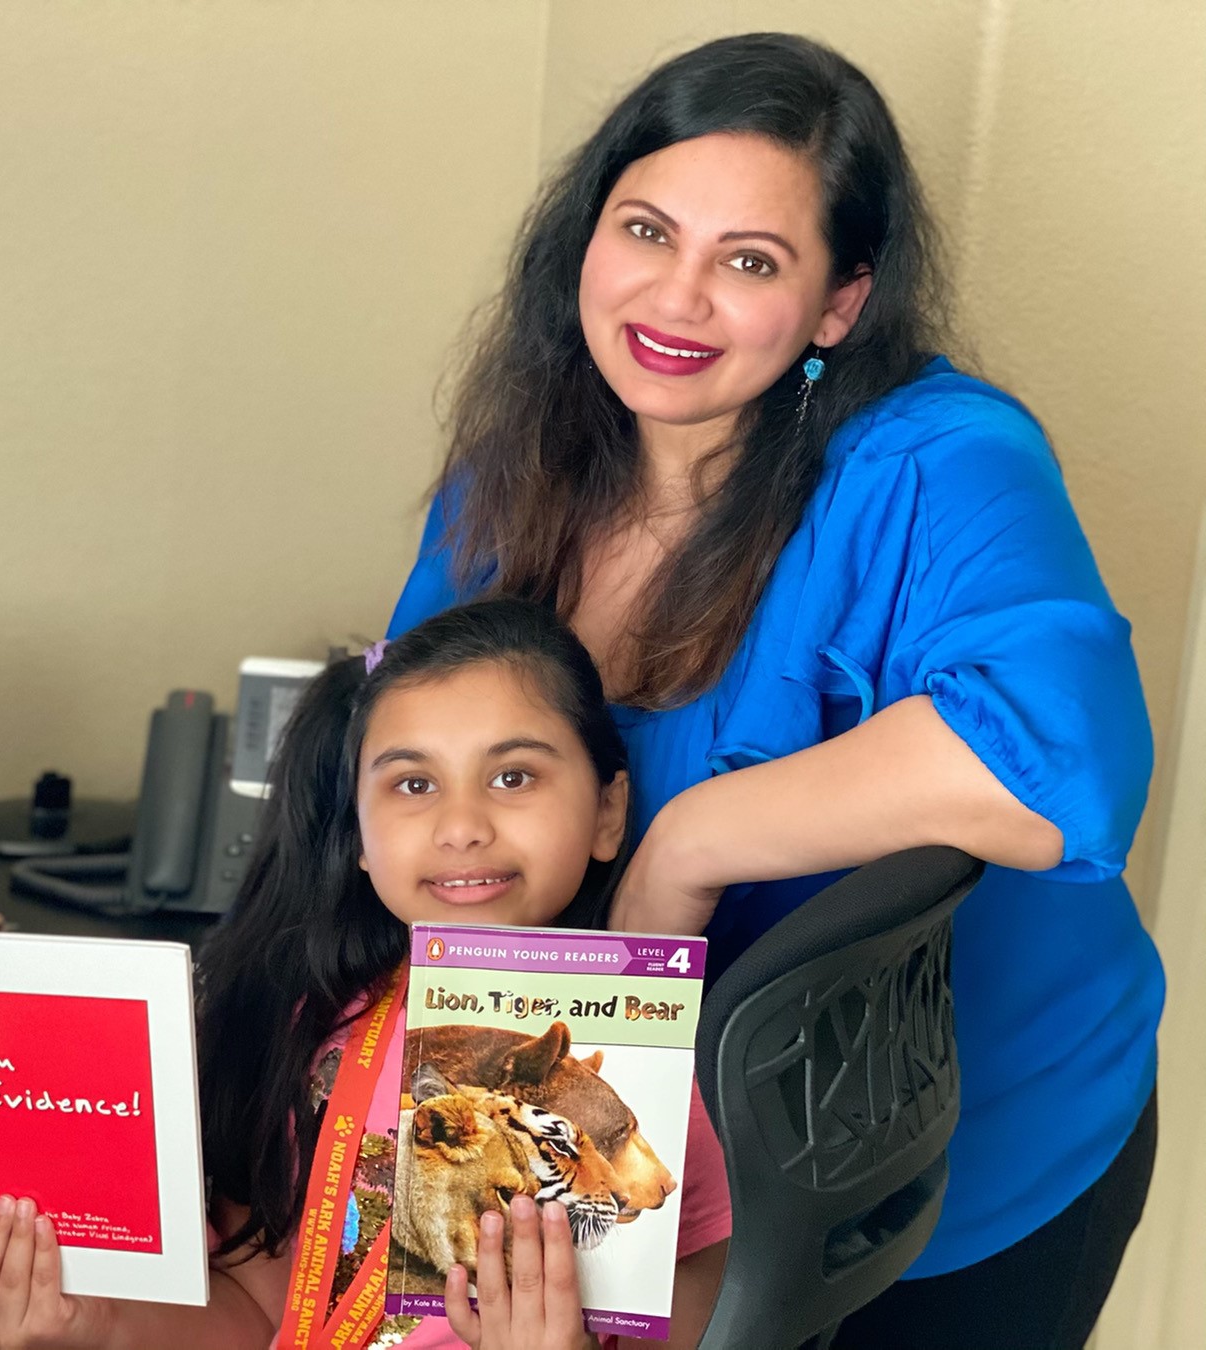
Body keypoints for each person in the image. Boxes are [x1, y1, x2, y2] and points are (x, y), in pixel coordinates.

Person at [387, 32, 1161, 1350]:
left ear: (839, 306)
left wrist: (686, 844)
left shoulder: (937, 459)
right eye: (646, 230)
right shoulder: (512, 470)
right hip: (631, 1152)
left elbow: (1060, 759)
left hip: (950, 1177)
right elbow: (417, 757)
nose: (675, 298)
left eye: (750, 261)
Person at [0, 597, 733, 1350]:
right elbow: (261, 1312)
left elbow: (705, 1317)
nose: (461, 826)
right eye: (414, 784)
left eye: (513, 776)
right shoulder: (310, 1028)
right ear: (358, 833)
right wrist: (86, 1326)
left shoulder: (651, 1066)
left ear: (607, 810)